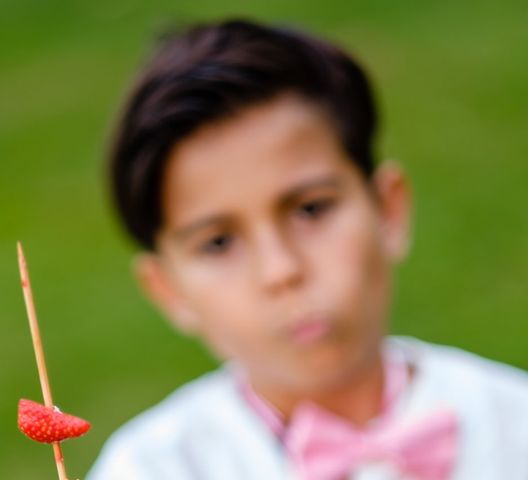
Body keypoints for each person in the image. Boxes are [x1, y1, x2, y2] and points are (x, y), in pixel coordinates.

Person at [87, 18, 528, 480]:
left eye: (312, 210)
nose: (281, 270)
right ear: (168, 290)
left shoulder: (511, 424)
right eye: (218, 243)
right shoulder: (151, 468)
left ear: (388, 210)